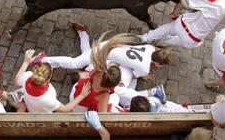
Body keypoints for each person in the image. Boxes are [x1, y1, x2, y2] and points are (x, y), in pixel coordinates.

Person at [40, 23, 172, 79]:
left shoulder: (149, 48)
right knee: (76, 63)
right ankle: (43, 59)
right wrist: (144, 75)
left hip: (108, 47)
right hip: (103, 54)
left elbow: (154, 49)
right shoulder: (145, 68)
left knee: (87, 55)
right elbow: (134, 73)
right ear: (157, 64)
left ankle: (82, 32)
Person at [69, 33, 136, 112]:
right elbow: (103, 116)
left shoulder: (98, 71)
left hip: (76, 91)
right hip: (80, 104)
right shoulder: (104, 95)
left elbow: (109, 62)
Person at [14, 49, 92, 113]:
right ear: (48, 79)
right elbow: (65, 109)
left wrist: (25, 62)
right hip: (42, 112)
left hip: (31, 106)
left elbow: (16, 80)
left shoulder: (27, 75)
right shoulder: (47, 99)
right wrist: (82, 95)